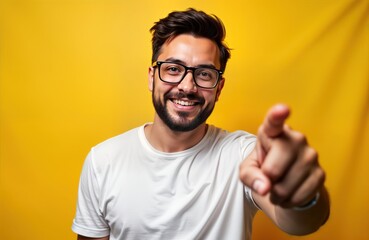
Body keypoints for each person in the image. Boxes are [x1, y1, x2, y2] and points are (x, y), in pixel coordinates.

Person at [72, 8, 330, 240]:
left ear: (219, 88)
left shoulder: (243, 155)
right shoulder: (102, 161)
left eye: (204, 74)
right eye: (173, 69)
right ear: (152, 77)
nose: (187, 86)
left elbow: (302, 224)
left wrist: (303, 198)